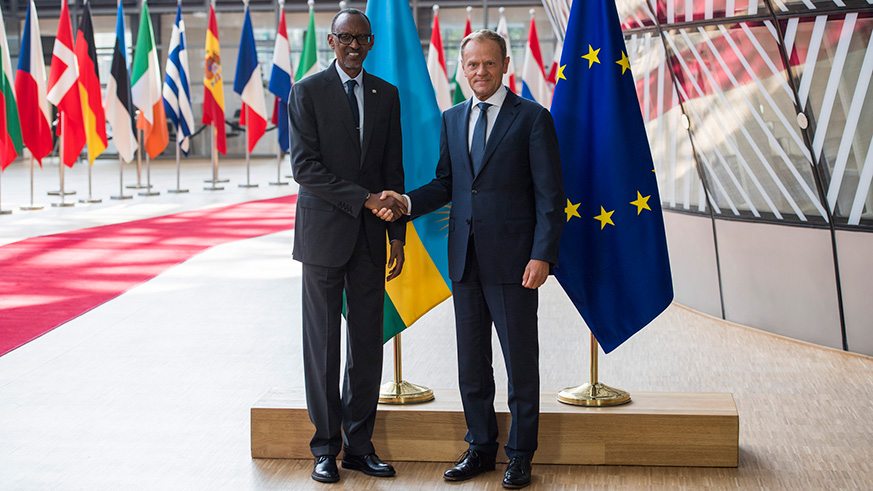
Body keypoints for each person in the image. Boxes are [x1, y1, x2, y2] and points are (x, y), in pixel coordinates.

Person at [377, 29, 564, 489]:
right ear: (463, 69)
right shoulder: (452, 117)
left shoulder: (532, 118)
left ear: (505, 65)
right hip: (464, 260)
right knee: (472, 364)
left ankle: (520, 454)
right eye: (473, 64)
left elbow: (550, 197)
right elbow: (447, 183)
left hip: (515, 264)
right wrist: (405, 202)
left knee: (520, 363)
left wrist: (542, 255)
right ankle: (480, 447)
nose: (481, 72)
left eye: (489, 63)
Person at [287, 8, 407, 484]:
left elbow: (393, 169)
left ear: (371, 42)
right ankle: (324, 447)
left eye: (361, 37)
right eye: (345, 37)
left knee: (366, 344)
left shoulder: (386, 95)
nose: (354, 45)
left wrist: (397, 233)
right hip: (322, 237)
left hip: (372, 238)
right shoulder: (306, 92)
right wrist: (365, 199)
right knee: (322, 345)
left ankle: (359, 447)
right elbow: (305, 168)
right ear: (331, 42)